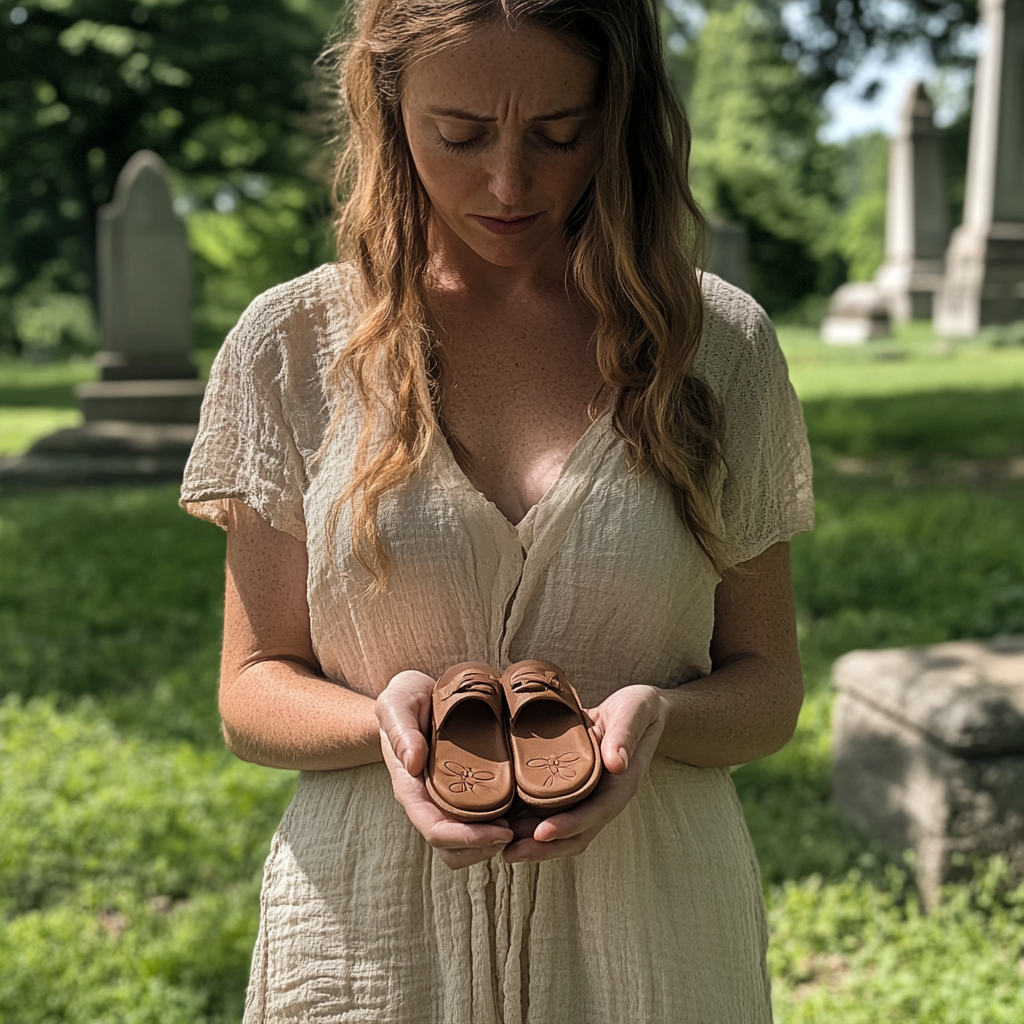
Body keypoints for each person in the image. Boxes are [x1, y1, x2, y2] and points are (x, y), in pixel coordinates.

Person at [180, 0, 814, 1020]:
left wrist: (654, 720)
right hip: (367, 943)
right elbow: (250, 690)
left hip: (653, 936)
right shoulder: (289, 344)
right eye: (461, 135)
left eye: (560, 134)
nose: (510, 183)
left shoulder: (718, 346)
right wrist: (378, 724)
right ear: (390, 112)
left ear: (619, 115)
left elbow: (769, 687)